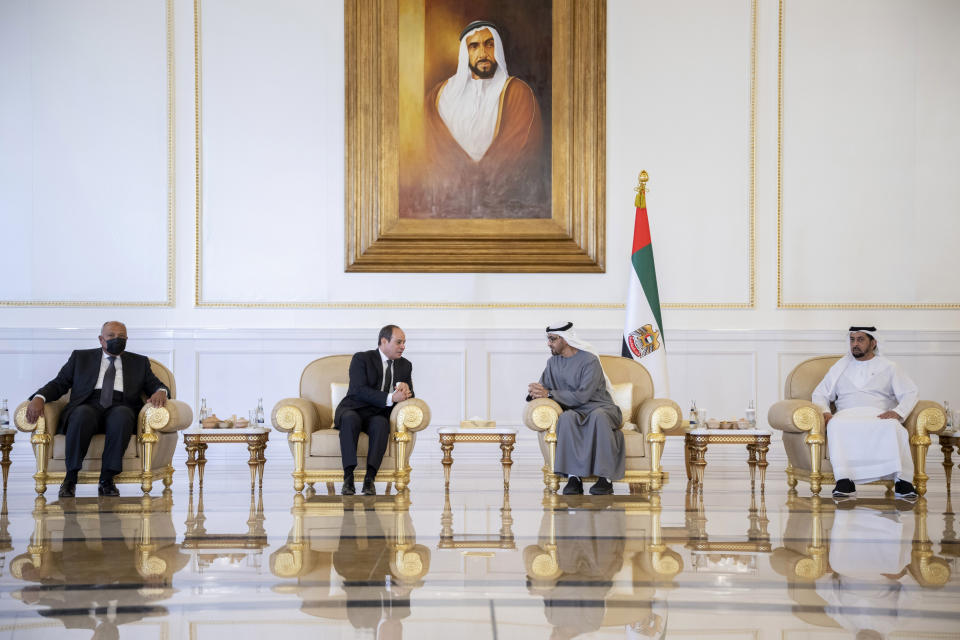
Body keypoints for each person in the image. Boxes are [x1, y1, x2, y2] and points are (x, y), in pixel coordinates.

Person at [405, 20, 546, 219]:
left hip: (504, 209)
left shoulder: (518, 92)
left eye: (489, 44)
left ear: (498, 48)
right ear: (466, 53)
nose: (483, 53)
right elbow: (429, 148)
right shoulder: (441, 96)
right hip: (448, 208)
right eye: (474, 46)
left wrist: (481, 188)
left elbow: (521, 149)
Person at [24, 321, 169, 498]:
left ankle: (107, 480)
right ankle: (70, 479)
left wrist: (161, 392)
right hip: (88, 403)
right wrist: (39, 397)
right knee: (82, 414)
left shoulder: (139, 362)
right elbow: (59, 383)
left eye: (121, 337)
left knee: (122, 416)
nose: (117, 340)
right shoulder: (80, 358)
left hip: (121, 405)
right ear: (101, 339)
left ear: (127, 339)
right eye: (111, 336)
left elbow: (156, 385)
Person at [811, 326, 919, 499]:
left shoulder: (890, 367)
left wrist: (898, 412)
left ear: (873, 342)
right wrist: (825, 412)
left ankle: (903, 481)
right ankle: (845, 481)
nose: (855, 344)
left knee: (893, 427)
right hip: (845, 415)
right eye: (852, 340)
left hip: (878, 415)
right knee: (835, 425)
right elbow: (820, 393)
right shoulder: (839, 368)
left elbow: (910, 392)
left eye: (860, 340)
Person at [527, 322, 624, 495]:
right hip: (576, 411)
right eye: (548, 339)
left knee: (598, 417)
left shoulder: (590, 361)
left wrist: (548, 393)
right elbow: (544, 386)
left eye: (552, 339)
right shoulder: (552, 363)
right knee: (566, 418)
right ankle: (573, 477)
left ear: (565, 339)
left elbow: (582, 396)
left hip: (601, 407)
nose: (549, 343)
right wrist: (535, 392)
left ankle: (605, 478)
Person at [334, 325, 413, 496]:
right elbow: (358, 390)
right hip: (354, 408)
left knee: (381, 424)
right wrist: (391, 398)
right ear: (384, 341)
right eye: (399, 342)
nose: (403, 346)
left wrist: (406, 390)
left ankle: (370, 478)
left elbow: (410, 396)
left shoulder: (405, 365)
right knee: (349, 419)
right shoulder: (362, 359)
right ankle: (348, 477)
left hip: (377, 414)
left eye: (404, 342)